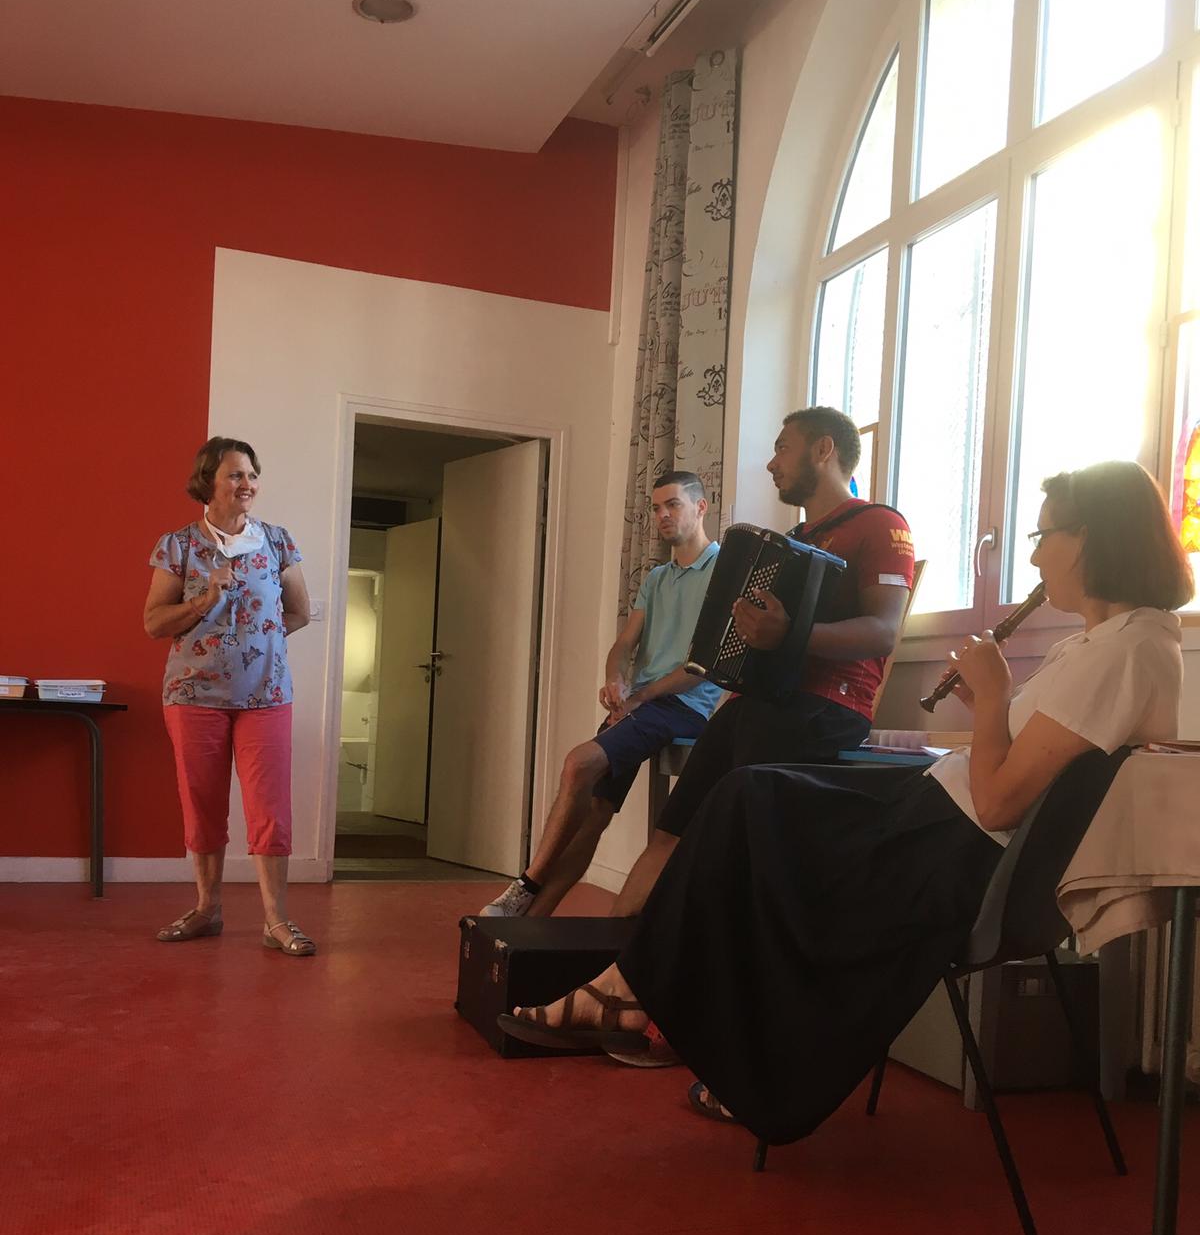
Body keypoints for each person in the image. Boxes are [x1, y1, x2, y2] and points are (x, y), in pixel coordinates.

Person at [498, 460, 1192, 1144]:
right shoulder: (1104, 645)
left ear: (1091, 536)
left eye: (1043, 536)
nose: (1034, 556)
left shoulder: (1125, 653)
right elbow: (1013, 767)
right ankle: (638, 996)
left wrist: (993, 698)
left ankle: (655, 1009)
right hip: (933, 822)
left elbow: (999, 803)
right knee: (750, 796)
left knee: (750, 813)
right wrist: (988, 702)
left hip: (944, 854)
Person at [608, 407, 916, 922]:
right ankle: (611, 955)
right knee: (672, 828)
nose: (772, 464)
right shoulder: (794, 541)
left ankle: (687, 957)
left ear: (823, 449)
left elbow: (884, 632)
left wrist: (790, 635)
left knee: (727, 840)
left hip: (823, 708)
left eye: (782, 448)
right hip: (758, 702)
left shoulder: (882, 524)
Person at [480, 471, 723, 917]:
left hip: (682, 705)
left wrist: (640, 698)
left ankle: (526, 885)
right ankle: (532, 920)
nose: (662, 515)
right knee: (594, 811)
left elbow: (702, 666)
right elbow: (624, 644)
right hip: (643, 703)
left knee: (578, 763)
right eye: (656, 508)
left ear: (701, 507)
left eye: (673, 504)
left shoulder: (723, 572)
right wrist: (616, 680)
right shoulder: (657, 578)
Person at [144, 436, 317, 956]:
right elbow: (154, 622)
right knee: (202, 804)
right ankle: (207, 909)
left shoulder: (278, 541)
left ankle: (276, 920)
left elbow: (298, 612)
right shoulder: (178, 546)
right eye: (236, 475)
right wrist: (204, 600)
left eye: (252, 475)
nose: (248, 484)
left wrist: (258, 644)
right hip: (193, 695)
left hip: (267, 695)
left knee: (271, 809)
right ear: (209, 482)